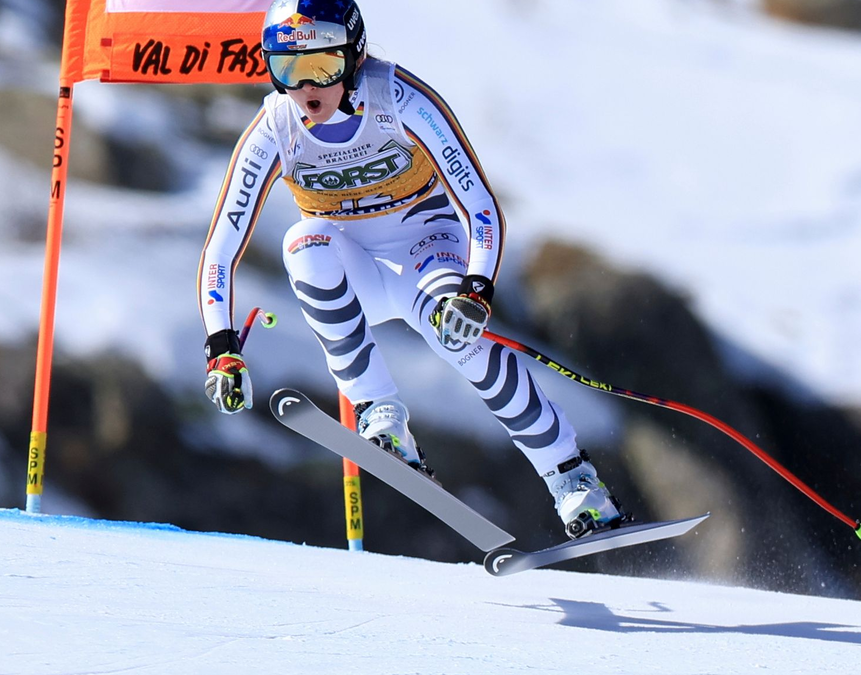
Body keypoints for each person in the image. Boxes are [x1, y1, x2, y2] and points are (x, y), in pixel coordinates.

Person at [199, 0, 624, 538]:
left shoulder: (399, 99)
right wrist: (220, 347)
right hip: (353, 270)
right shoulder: (274, 128)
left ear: (353, 56)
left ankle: (573, 480)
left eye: (321, 68)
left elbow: (481, 207)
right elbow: (221, 249)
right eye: (287, 70)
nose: (306, 89)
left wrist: (475, 290)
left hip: (427, 251)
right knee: (302, 241)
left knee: (459, 340)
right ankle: (380, 412)